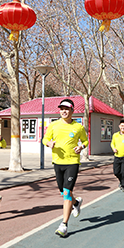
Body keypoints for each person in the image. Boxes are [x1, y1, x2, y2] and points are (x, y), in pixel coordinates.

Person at [43, 99, 88, 238]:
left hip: (72, 162)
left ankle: (64, 225)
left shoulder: (78, 127)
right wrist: (48, 143)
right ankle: (76, 202)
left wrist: (81, 146)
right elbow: (44, 139)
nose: (64, 111)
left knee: (67, 192)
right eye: (62, 108)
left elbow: (85, 141)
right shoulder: (53, 125)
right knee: (63, 193)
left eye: (67, 109)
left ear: (72, 111)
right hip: (57, 162)